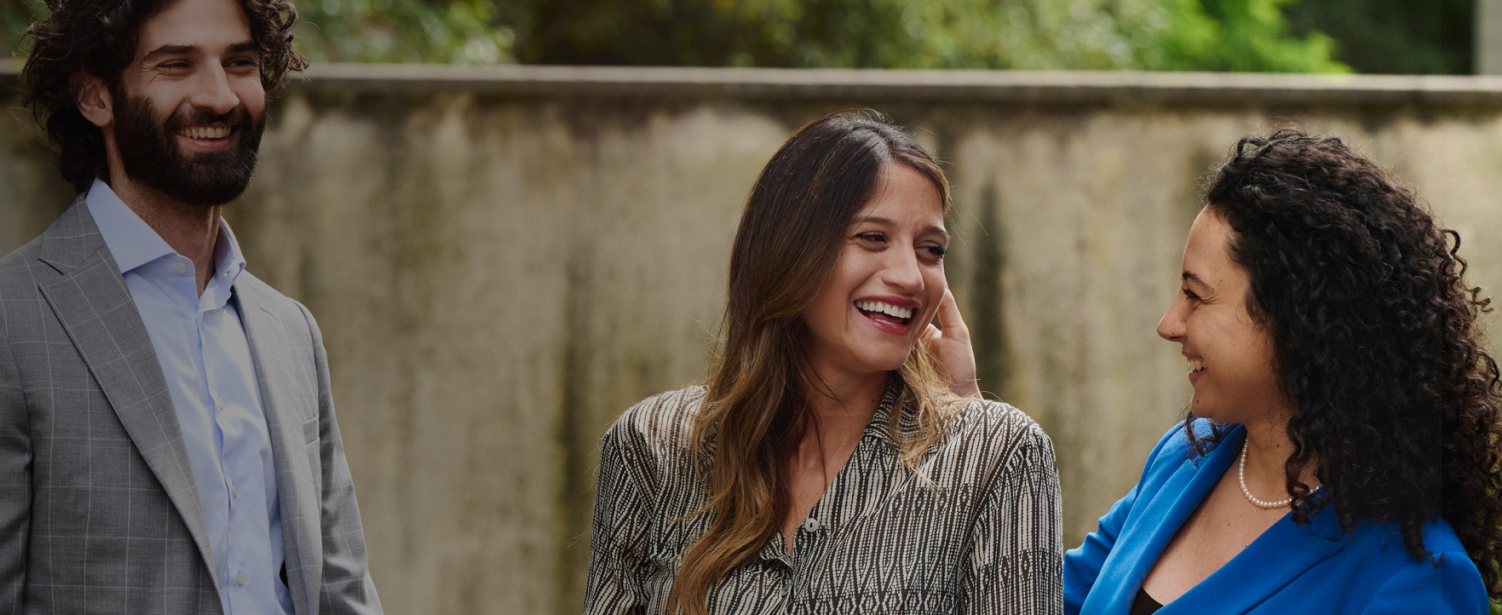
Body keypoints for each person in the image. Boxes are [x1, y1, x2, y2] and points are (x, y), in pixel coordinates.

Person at [0, 0, 383, 613]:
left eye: (239, 63)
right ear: (94, 96)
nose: (220, 97)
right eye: (175, 65)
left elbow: (342, 592)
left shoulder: (289, 331)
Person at [582, 110, 1063, 615]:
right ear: (788, 252)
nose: (910, 276)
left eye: (930, 249)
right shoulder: (651, 445)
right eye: (872, 238)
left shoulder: (1003, 453)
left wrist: (965, 420)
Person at [1063, 130, 1502, 614]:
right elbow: (1037, 598)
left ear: (1297, 319)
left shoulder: (1416, 577)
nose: (1168, 324)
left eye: (1195, 294)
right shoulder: (1183, 458)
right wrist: (977, 425)